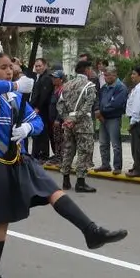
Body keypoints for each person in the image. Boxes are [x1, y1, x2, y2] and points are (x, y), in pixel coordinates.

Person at [0, 52, 128, 278]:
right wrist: (15, 84)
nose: (8, 70)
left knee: (53, 191)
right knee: (1, 220)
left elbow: (36, 122)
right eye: (2, 67)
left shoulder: (15, 98)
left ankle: (91, 231)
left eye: (10, 66)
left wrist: (27, 127)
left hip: (19, 159)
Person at [57, 60, 98, 192]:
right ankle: (80, 182)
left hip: (68, 123)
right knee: (84, 152)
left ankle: (65, 180)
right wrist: (75, 118)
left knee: (68, 150)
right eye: (90, 69)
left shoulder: (66, 85)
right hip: (83, 123)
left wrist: (67, 119)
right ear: (86, 70)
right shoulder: (89, 86)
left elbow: (60, 105)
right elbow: (88, 106)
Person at [93, 67, 128, 175]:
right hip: (102, 118)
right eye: (105, 75)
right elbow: (97, 99)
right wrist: (97, 110)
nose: (106, 77)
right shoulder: (104, 87)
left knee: (115, 144)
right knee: (103, 143)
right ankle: (105, 164)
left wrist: (102, 111)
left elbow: (117, 104)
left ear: (115, 75)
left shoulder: (120, 87)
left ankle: (117, 166)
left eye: (108, 75)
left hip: (113, 118)